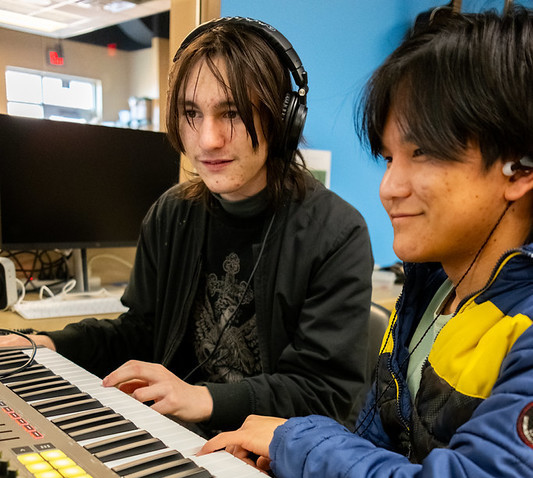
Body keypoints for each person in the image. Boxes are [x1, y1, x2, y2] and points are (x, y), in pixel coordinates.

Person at [200, 7, 533, 478]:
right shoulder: (431, 289)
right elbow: (378, 454)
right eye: (387, 156)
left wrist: (296, 440)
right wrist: (288, 465)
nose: (389, 186)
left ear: (521, 167)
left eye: (424, 154)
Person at [0, 18, 373, 434]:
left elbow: (324, 394)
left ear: (283, 121)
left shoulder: (336, 234)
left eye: (231, 112)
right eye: (191, 113)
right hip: (177, 439)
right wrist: (51, 345)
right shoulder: (170, 214)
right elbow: (141, 333)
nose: (207, 140)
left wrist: (203, 398)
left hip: (273, 455)